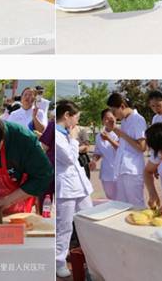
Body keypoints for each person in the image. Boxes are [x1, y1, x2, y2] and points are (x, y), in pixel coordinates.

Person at [55, 100, 93, 279]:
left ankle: (92, 257)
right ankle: (59, 261)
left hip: (79, 185)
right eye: (75, 119)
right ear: (66, 116)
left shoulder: (66, 135)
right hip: (66, 188)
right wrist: (73, 139)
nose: (76, 123)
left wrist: (71, 138)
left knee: (90, 221)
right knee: (65, 226)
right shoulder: (56, 135)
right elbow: (69, 158)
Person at [107, 92, 147, 207]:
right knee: (122, 205)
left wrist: (119, 132)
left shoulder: (138, 120)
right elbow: (125, 143)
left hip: (133, 170)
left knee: (136, 205)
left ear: (123, 106)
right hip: (122, 169)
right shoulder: (125, 120)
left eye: (114, 111)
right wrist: (114, 129)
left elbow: (142, 147)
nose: (114, 115)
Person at [91, 108, 119, 200]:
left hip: (120, 171)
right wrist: (94, 160)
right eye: (106, 118)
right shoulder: (99, 136)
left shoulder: (121, 133)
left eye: (111, 117)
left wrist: (109, 139)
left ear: (115, 118)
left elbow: (121, 149)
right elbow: (98, 151)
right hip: (107, 172)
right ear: (102, 121)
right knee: (110, 198)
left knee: (122, 198)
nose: (109, 120)